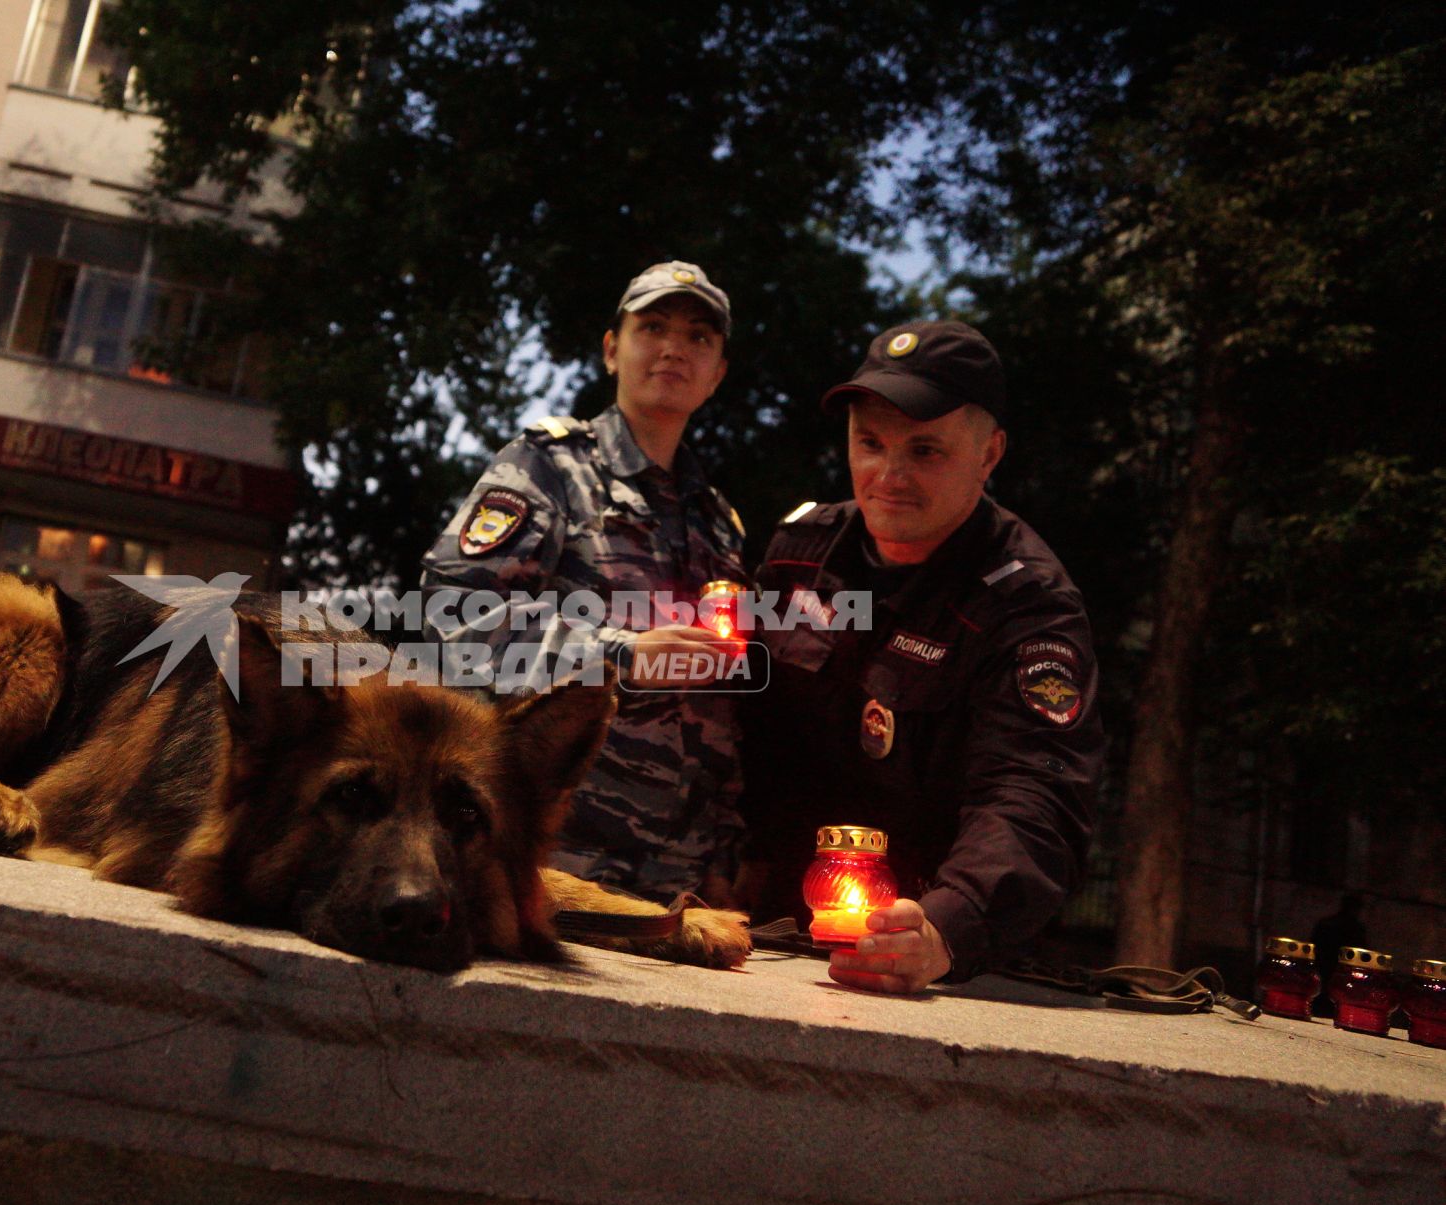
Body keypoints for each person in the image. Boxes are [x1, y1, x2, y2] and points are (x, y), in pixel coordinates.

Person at [741, 320, 1105, 993]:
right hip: (766, 935)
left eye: (926, 450)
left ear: (990, 453)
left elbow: (1036, 791)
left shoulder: (1027, 602)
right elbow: (745, 730)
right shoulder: (797, 554)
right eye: (869, 444)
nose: (889, 476)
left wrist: (948, 923)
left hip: (929, 960)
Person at [419, 262, 748, 903]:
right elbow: (450, 620)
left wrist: (727, 851)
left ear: (717, 375)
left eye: (699, 337)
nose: (674, 348)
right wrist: (619, 655)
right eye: (652, 326)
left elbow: (724, 707)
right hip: (547, 856)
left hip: (679, 881)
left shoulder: (720, 523)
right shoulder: (548, 467)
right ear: (610, 349)